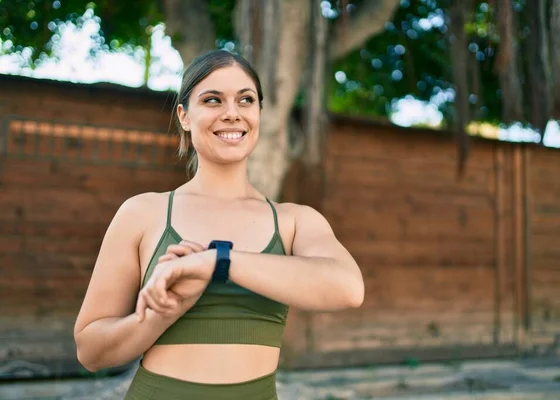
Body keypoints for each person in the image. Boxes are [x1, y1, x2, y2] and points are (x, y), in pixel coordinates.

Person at [73, 49, 364, 400]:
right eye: (212, 100)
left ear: (258, 113)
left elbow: (348, 288)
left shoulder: (294, 220)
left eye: (246, 100)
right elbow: (90, 352)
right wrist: (162, 314)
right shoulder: (143, 213)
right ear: (184, 115)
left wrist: (216, 261)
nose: (232, 113)